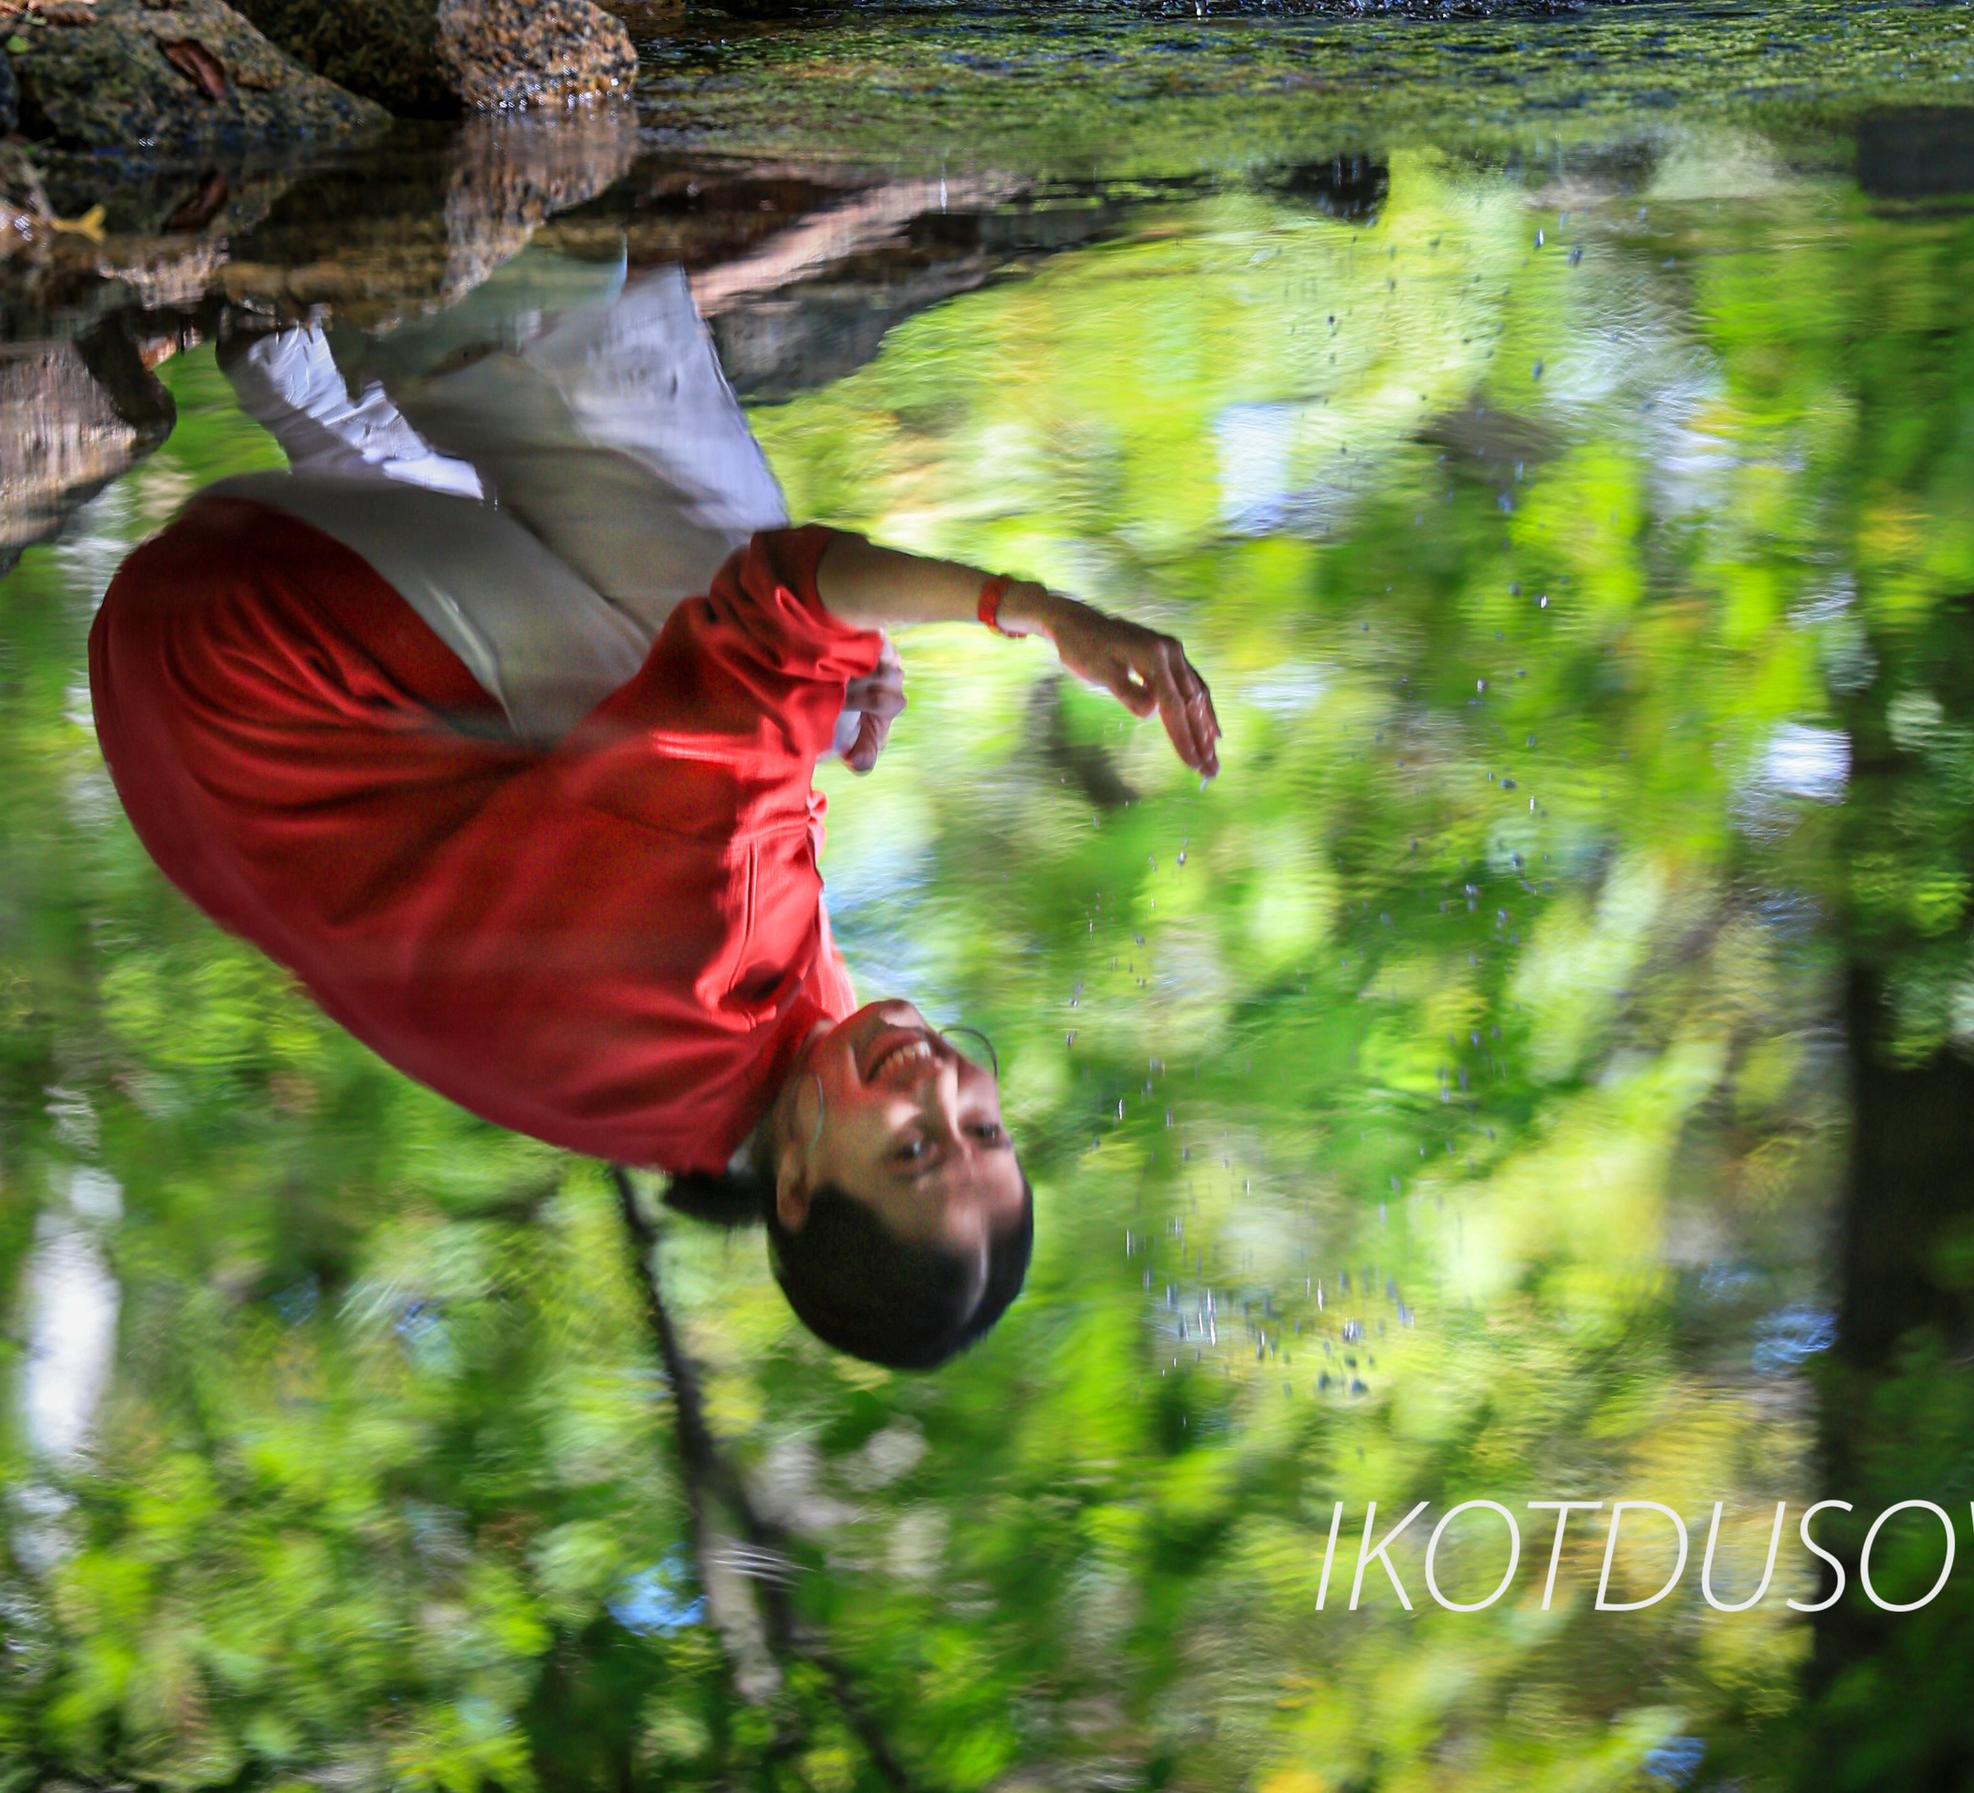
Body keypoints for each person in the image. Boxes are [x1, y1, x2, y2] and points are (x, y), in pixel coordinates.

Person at [89, 231, 1219, 1371]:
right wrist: (823, 686)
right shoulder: (725, 1104)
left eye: (915, 1152)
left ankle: (508, 291)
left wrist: (1032, 611)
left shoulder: (714, 968)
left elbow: (771, 598)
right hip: (188, 743)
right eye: (981, 1125)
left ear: (791, 1184)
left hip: (234, 642)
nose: (940, 1086)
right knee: (797, 699)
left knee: (757, 620)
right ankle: (317, 384)